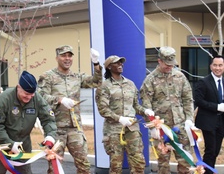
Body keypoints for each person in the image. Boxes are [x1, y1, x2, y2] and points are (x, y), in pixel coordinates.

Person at [37, 45, 102, 174]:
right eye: (63, 56)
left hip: (74, 127)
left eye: (69, 56)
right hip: (55, 128)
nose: (67, 59)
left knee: (84, 165)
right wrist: (59, 100)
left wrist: (96, 64)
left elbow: (96, 82)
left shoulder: (77, 77)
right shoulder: (48, 76)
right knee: (54, 166)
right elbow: (41, 97)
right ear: (57, 58)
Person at [0, 70, 57, 174]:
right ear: (18, 87)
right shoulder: (4, 99)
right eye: (26, 94)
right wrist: (11, 144)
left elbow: (48, 119)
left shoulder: (36, 99)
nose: (29, 98)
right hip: (1, 148)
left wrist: (50, 136)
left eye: (32, 95)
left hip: (23, 149)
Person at [95, 55, 154, 174]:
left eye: (121, 63)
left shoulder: (130, 84)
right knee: (116, 165)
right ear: (109, 67)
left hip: (132, 128)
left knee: (138, 162)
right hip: (113, 130)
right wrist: (119, 118)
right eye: (117, 63)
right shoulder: (104, 86)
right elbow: (103, 109)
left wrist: (145, 111)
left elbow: (135, 106)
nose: (120, 65)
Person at [140, 46, 194, 174]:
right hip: (161, 128)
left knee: (185, 162)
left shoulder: (180, 77)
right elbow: (146, 105)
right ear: (160, 61)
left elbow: (188, 99)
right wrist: (152, 126)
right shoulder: (150, 80)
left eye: (172, 64)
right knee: (163, 164)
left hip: (180, 126)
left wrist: (189, 119)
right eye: (167, 64)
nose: (170, 67)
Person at [194, 55, 224, 174]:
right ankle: (207, 172)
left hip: (221, 122)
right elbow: (199, 101)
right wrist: (217, 107)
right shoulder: (203, 82)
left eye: (220, 65)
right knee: (210, 150)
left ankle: (208, 170)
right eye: (215, 65)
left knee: (216, 150)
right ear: (211, 66)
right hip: (208, 121)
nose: (218, 68)